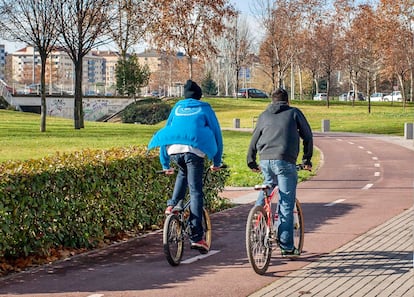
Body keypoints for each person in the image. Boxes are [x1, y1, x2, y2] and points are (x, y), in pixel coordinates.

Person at [148, 79, 223, 253]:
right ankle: (197, 237)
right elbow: (217, 134)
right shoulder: (205, 108)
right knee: (196, 192)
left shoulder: (177, 108)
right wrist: (217, 162)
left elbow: (168, 133)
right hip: (194, 151)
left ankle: (172, 205)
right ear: (199, 95)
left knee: (182, 172)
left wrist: (165, 163)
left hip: (174, 150)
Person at [246, 87, 313, 257]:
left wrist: (251, 161)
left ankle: (258, 216)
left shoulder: (264, 115)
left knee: (267, 186)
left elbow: (254, 138)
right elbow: (308, 136)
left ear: (272, 101)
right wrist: (306, 159)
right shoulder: (294, 113)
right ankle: (287, 247)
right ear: (287, 100)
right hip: (285, 159)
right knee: (285, 203)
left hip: (265, 159)